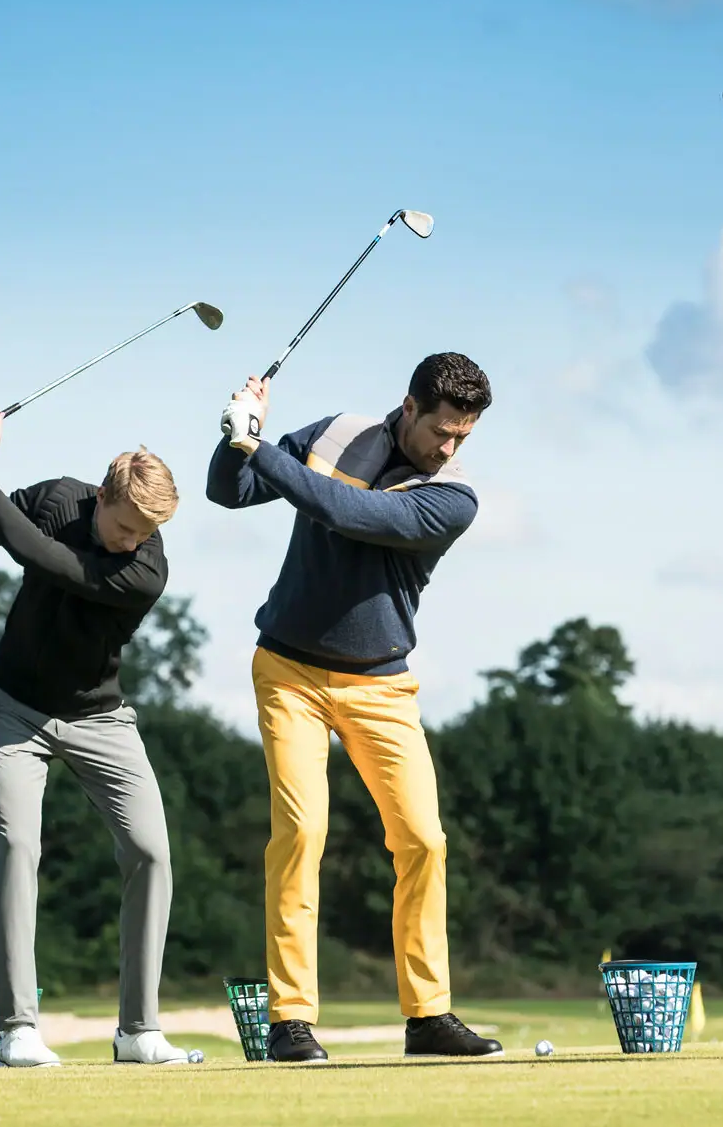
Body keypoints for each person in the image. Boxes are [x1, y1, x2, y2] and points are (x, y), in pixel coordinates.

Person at [206, 353, 502, 1062]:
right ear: (409, 406)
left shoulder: (452, 497)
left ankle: (428, 1016)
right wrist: (234, 435)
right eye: (442, 430)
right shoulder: (338, 432)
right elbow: (231, 490)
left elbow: (349, 511)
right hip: (289, 672)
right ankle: (290, 1020)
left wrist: (256, 444)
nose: (449, 447)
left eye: (463, 435)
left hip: (381, 686)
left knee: (423, 839)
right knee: (301, 832)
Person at [0, 412, 188, 1068]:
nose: (136, 541)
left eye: (149, 532)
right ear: (100, 496)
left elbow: (39, 556)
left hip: (100, 718)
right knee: (18, 844)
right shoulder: (57, 499)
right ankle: (18, 1027)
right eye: (128, 526)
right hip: (12, 710)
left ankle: (139, 1030)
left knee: (151, 851)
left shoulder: (145, 573)